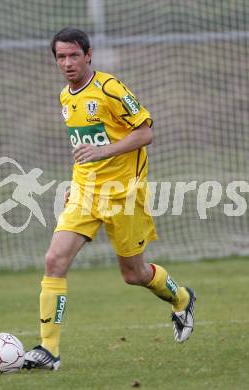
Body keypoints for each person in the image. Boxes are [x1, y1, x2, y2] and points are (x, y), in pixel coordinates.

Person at [24, 27, 195, 371]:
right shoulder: (65, 98)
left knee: (134, 274)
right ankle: (49, 351)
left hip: (123, 195)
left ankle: (182, 298)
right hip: (85, 193)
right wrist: (76, 182)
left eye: (74, 55)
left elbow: (145, 132)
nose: (68, 63)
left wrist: (105, 151)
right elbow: (82, 151)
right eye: (61, 57)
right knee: (54, 260)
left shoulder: (110, 89)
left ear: (88, 55)